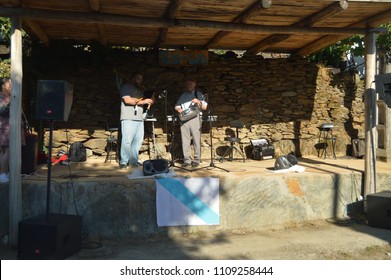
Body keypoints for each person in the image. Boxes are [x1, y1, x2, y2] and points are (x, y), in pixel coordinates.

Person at [119, 72, 154, 168]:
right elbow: (127, 100)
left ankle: (133, 161)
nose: (140, 80)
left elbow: (147, 101)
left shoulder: (141, 90)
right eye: (138, 78)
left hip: (139, 118)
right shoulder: (126, 87)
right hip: (128, 117)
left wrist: (151, 99)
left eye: (141, 79)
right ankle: (123, 161)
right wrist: (143, 101)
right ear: (133, 78)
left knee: (137, 142)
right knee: (127, 141)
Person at [175, 77, 207, 168]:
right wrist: (179, 109)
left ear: (195, 84)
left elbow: (205, 107)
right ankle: (187, 160)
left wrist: (199, 101)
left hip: (195, 118)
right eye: (188, 83)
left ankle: (196, 159)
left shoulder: (199, 94)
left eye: (191, 83)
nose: (189, 85)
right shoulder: (183, 95)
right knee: (185, 140)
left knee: (196, 139)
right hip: (184, 118)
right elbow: (176, 105)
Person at [0, 78, 11, 183]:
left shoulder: (9, 97)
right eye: (9, 84)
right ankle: (2, 174)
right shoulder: (1, 97)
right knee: (5, 150)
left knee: (7, 151)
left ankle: (5, 172)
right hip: (4, 127)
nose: (11, 87)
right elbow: (1, 110)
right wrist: (8, 103)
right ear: (3, 86)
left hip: (9, 126)